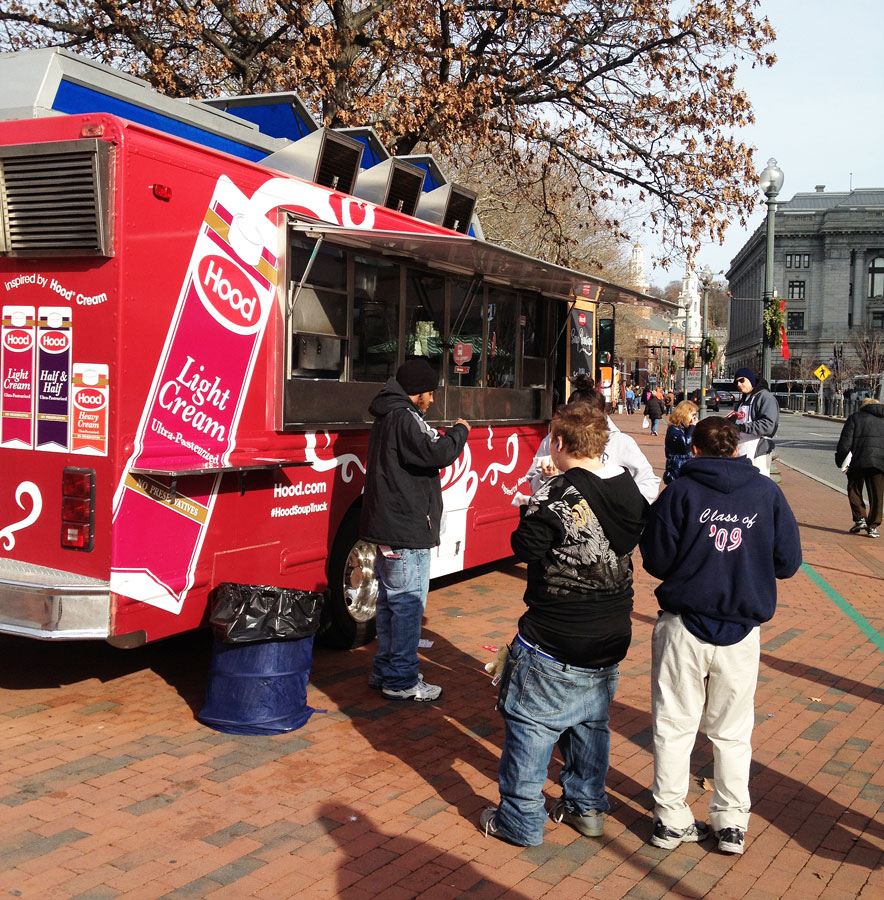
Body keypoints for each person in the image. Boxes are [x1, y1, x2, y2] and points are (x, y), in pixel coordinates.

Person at [480, 404, 649, 846]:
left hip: (557, 632)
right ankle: (586, 806)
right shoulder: (628, 487)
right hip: (612, 629)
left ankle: (519, 819)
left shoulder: (555, 495)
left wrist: (537, 492)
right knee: (590, 722)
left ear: (559, 443)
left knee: (531, 724)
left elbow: (526, 546)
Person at [639, 417, 802, 856]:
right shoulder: (766, 493)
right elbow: (788, 562)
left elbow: (655, 559)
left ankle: (671, 819)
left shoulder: (680, 492)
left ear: (694, 450)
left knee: (674, 726)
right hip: (741, 627)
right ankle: (731, 821)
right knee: (732, 732)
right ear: (737, 449)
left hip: (683, 624)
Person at [360, 359, 471, 701]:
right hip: (406, 527)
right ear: (417, 393)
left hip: (388, 526)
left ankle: (386, 670)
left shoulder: (386, 415)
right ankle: (402, 678)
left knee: (391, 604)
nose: (432, 400)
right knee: (407, 605)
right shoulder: (405, 417)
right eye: (430, 393)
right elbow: (437, 451)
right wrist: (460, 431)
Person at [526, 387, 660, 503]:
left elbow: (648, 481)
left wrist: (624, 507)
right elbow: (535, 480)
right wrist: (546, 477)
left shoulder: (620, 442)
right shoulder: (553, 439)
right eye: (577, 418)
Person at [835, 397, 884, 538]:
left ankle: (860, 518)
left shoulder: (855, 418)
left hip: (858, 460)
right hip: (880, 462)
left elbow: (845, 441)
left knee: (854, 488)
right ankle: (873, 526)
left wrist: (841, 461)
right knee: (877, 494)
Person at [728, 368, 779, 477]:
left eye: (742, 380)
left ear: (750, 380)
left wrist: (741, 427)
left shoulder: (765, 397)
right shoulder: (743, 400)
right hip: (741, 450)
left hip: (758, 451)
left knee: (758, 485)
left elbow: (768, 425)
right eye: (736, 382)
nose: (739, 384)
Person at [663, 400, 698, 483]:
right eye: (693, 415)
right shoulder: (674, 430)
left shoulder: (685, 429)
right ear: (684, 414)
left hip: (686, 469)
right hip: (677, 470)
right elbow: (685, 445)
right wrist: (692, 427)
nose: (694, 418)